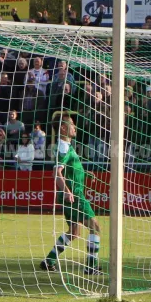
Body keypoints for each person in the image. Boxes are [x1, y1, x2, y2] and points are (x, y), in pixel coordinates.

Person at [40, 114, 102, 275]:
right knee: (95, 227)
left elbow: (69, 169)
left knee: (74, 232)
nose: (75, 128)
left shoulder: (67, 145)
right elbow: (56, 172)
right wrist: (67, 191)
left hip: (71, 195)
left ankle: (49, 261)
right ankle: (91, 266)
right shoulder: (63, 147)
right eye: (72, 124)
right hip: (74, 195)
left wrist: (84, 173)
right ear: (63, 128)